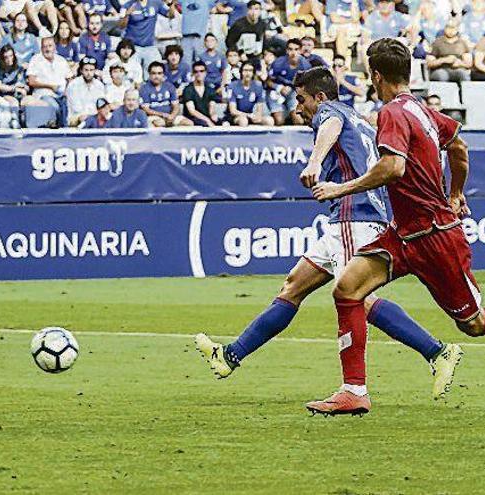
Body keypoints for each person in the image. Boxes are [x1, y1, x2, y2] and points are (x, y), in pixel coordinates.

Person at [302, 38, 485, 416]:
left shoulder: (392, 113)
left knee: (474, 323)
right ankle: (354, 390)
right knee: (348, 289)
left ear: (375, 75)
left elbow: (393, 168)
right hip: (404, 235)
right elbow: (460, 148)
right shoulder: (422, 109)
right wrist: (456, 192)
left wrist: (342, 187)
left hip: (435, 237)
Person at [195, 66, 463, 402]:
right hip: (347, 219)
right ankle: (230, 356)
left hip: (356, 217)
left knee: (358, 298)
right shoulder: (359, 118)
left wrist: (315, 161)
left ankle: (435, 353)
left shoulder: (332, 112)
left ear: (320, 97)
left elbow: (329, 125)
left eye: (303, 100)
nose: (299, 108)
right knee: (293, 285)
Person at [24, 37, 72, 126]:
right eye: (44, 46)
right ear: (41, 48)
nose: (47, 49)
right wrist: (50, 86)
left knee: (68, 106)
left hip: (62, 95)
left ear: (55, 47)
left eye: (50, 46)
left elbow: (69, 78)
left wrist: (66, 91)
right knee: (55, 107)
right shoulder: (36, 60)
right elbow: (31, 82)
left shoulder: (61, 60)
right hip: (44, 94)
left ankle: (66, 131)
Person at [119, 0, 176, 74]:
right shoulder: (127, 5)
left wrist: (171, 4)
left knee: (156, 71)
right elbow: (120, 26)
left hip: (150, 46)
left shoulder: (156, 3)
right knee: (132, 74)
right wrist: (127, 14)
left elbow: (171, 15)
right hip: (133, 47)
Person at [267, 38, 310, 125]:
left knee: (298, 121)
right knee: (279, 121)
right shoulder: (278, 63)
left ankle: (290, 110)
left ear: (301, 51)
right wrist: (279, 88)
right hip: (276, 92)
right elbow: (268, 82)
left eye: (296, 49)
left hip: (294, 93)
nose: (293, 52)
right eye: (290, 49)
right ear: (286, 50)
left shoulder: (306, 66)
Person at [139, 60, 192, 126]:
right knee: (159, 123)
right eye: (154, 73)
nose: (156, 76)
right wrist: (163, 115)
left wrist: (172, 115)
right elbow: (146, 109)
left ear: (163, 74)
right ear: (149, 74)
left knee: (188, 123)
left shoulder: (169, 86)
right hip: (153, 117)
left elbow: (176, 105)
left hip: (170, 115)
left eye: (159, 73)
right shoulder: (144, 88)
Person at [226, 60, 272, 125]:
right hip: (236, 116)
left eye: (250, 71)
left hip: (251, 115)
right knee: (244, 121)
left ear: (253, 73)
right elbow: (233, 111)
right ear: (241, 72)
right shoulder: (233, 86)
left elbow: (259, 108)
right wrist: (247, 115)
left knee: (269, 120)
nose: (248, 73)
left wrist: (257, 117)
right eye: (245, 70)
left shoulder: (258, 85)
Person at [66, 56, 106, 126]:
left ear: (95, 71)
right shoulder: (73, 85)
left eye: (91, 70)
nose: (89, 73)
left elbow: (100, 105)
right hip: (77, 118)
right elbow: (76, 108)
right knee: (83, 118)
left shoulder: (100, 85)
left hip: (95, 117)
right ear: (81, 70)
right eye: (86, 70)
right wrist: (90, 117)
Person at [181, 60, 221, 126]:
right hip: (193, 119)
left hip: (206, 118)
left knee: (225, 123)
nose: (199, 74)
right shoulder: (188, 89)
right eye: (196, 72)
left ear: (205, 73)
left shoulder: (210, 89)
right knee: (204, 124)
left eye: (202, 71)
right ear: (193, 73)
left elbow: (212, 107)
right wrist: (207, 120)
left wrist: (213, 116)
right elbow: (192, 111)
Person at [226, 0, 266, 65]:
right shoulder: (238, 25)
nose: (254, 12)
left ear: (260, 11)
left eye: (256, 9)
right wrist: (240, 53)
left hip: (256, 56)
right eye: (251, 9)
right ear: (247, 10)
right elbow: (229, 42)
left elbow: (263, 41)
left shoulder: (262, 24)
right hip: (241, 57)